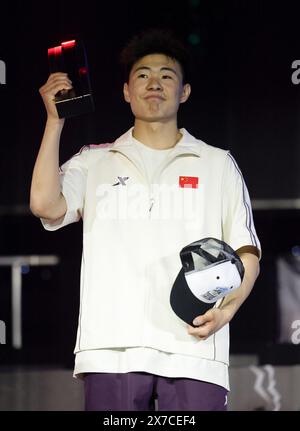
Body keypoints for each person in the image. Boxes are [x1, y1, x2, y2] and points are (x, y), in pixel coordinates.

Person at [30, 28, 261, 411]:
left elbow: (246, 253)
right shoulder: (94, 160)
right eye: (143, 75)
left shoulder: (218, 163)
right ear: (126, 91)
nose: (154, 83)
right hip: (110, 348)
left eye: (167, 76)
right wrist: (55, 121)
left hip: (195, 347)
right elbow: (44, 204)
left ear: (184, 92)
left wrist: (228, 312)